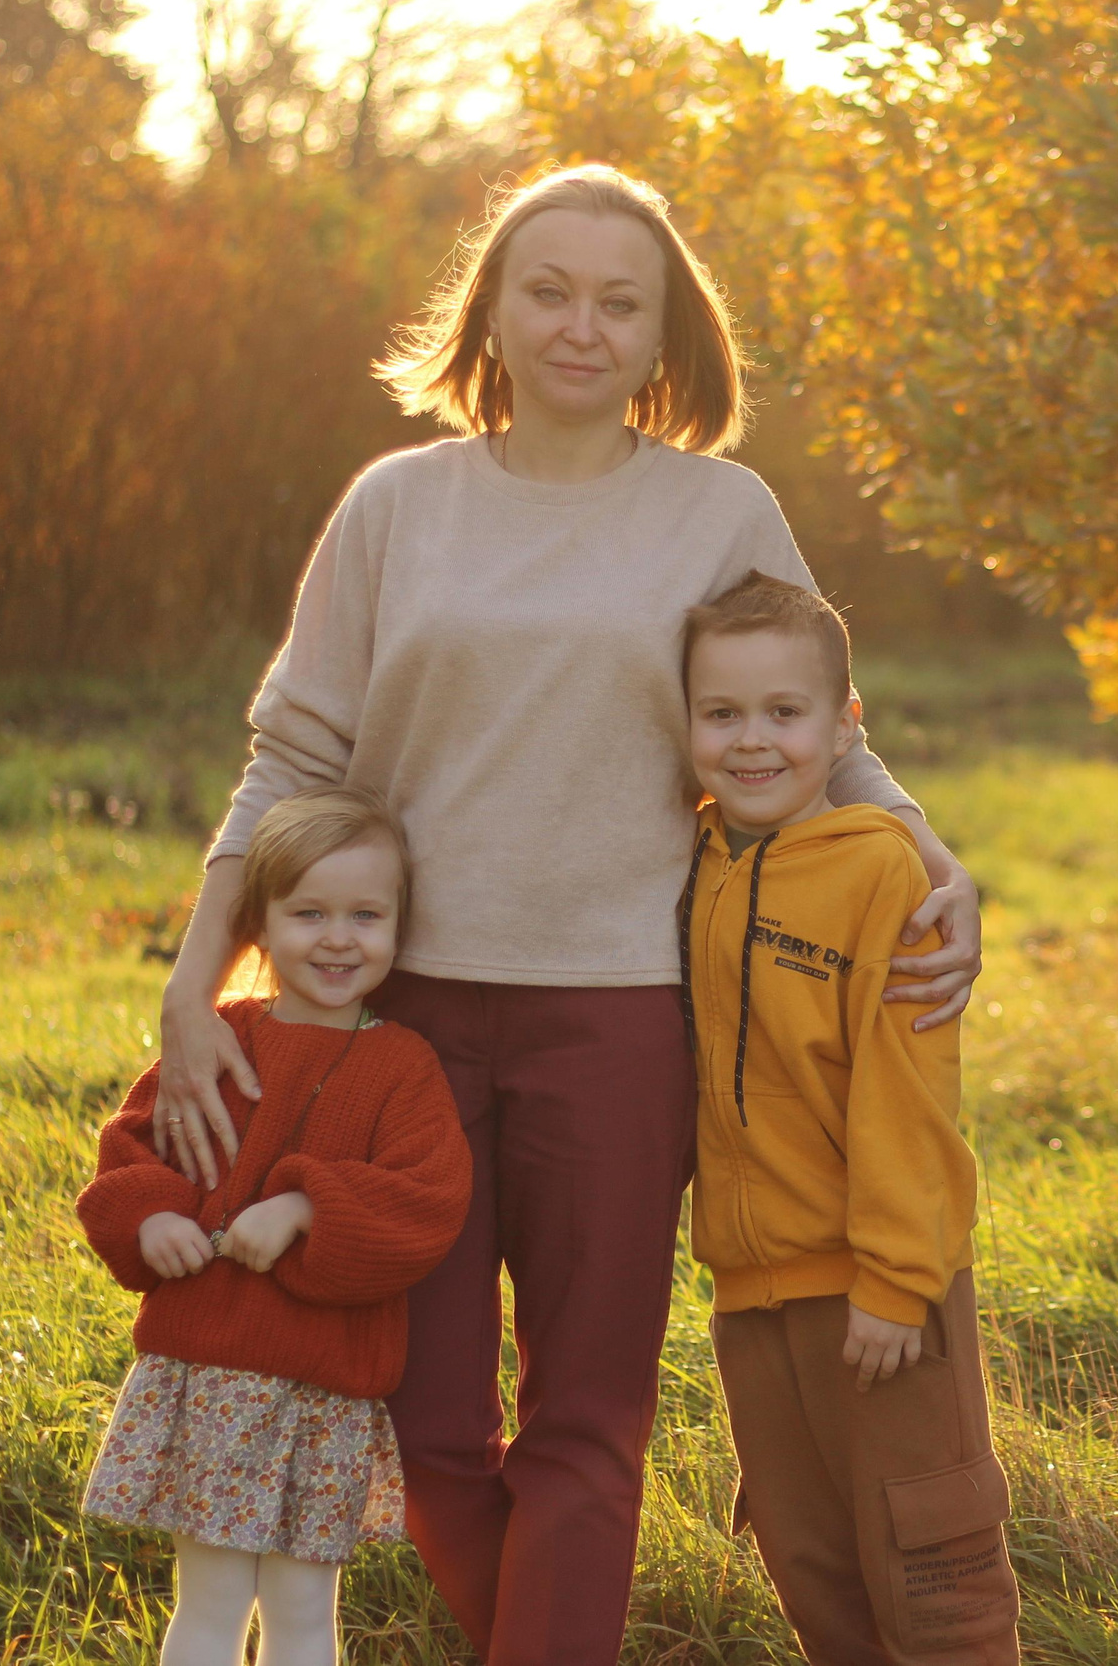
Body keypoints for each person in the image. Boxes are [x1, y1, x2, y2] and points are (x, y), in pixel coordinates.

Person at [144, 163, 985, 1666]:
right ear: (493, 312)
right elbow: (292, 754)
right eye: (549, 289)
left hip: (619, 1014)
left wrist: (933, 855)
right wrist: (195, 981)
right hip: (393, 1024)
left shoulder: (721, 509)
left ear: (668, 332)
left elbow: (817, 722)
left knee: (588, 1421)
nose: (582, 324)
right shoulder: (399, 503)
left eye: (620, 299)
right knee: (436, 1429)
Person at [679, 571, 1019, 1664]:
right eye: (721, 713)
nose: (751, 742)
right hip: (752, 1296)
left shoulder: (885, 873)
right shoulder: (698, 859)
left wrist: (895, 1278)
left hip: (881, 1300)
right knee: (809, 1565)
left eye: (784, 713)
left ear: (843, 726)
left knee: (935, 1581)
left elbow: (910, 1097)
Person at [77, 786, 472, 1666]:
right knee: (210, 1602)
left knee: (302, 1609)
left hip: (324, 1389)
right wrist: (151, 1221)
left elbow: (429, 1198)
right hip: (209, 1375)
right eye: (310, 913)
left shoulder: (402, 1066)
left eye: (366, 915)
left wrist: (307, 1206)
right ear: (258, 925)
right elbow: (130, 1149)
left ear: (401, 925)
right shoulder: (219, 1041)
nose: (339, 937)